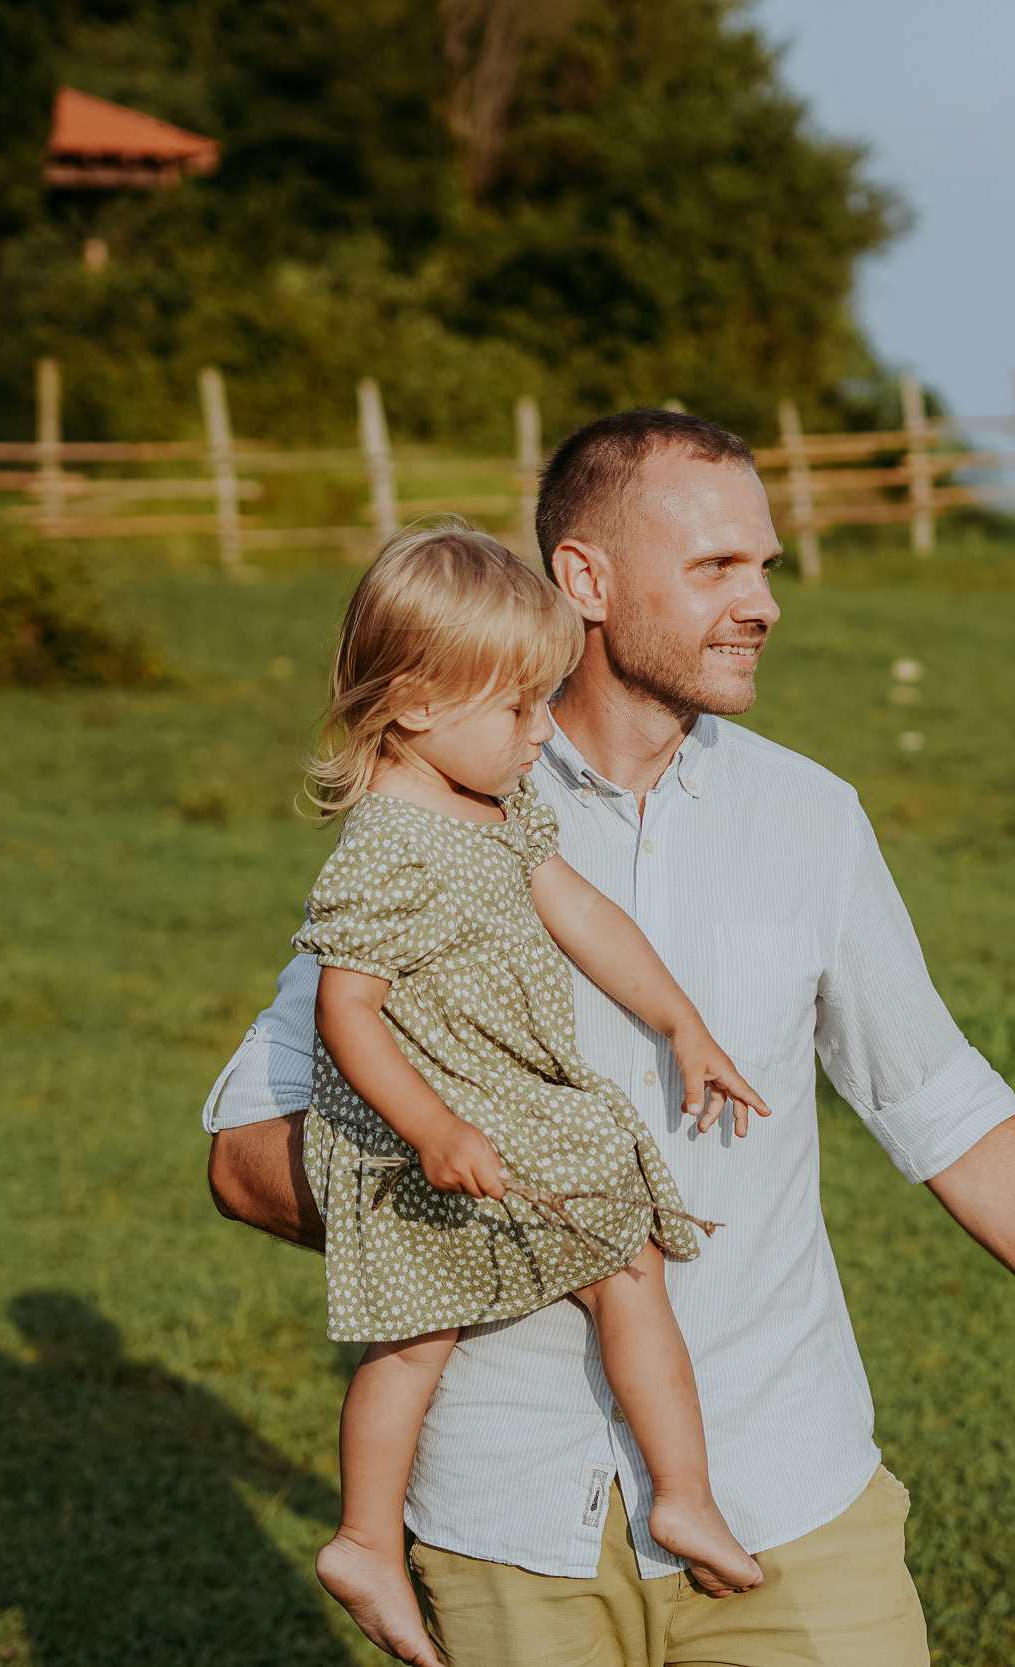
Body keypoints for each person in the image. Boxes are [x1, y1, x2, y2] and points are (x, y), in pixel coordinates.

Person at [203, 408, 1015, 1665]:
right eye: (718, 566)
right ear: (587, 580)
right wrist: (476, 1174)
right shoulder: (436, 818)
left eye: (768, 565)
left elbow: (938, 1102)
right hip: (510, 1519)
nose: (765, 602)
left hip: (787, 1500)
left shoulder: (812, 819)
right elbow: (244, 1154)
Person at [291, 527, 775, 1664]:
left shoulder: (501, 813)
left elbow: (588, 917)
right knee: (433, 1334)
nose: (542, 730)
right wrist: (433, 1128)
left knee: (560, 1287)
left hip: (501, 1114)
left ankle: (662, 1496)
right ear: (412, 702)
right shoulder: (386, 847)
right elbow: (344, 1010)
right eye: (518, 710)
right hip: (429, 1130)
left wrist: (682, 1023)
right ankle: (378, 1535)